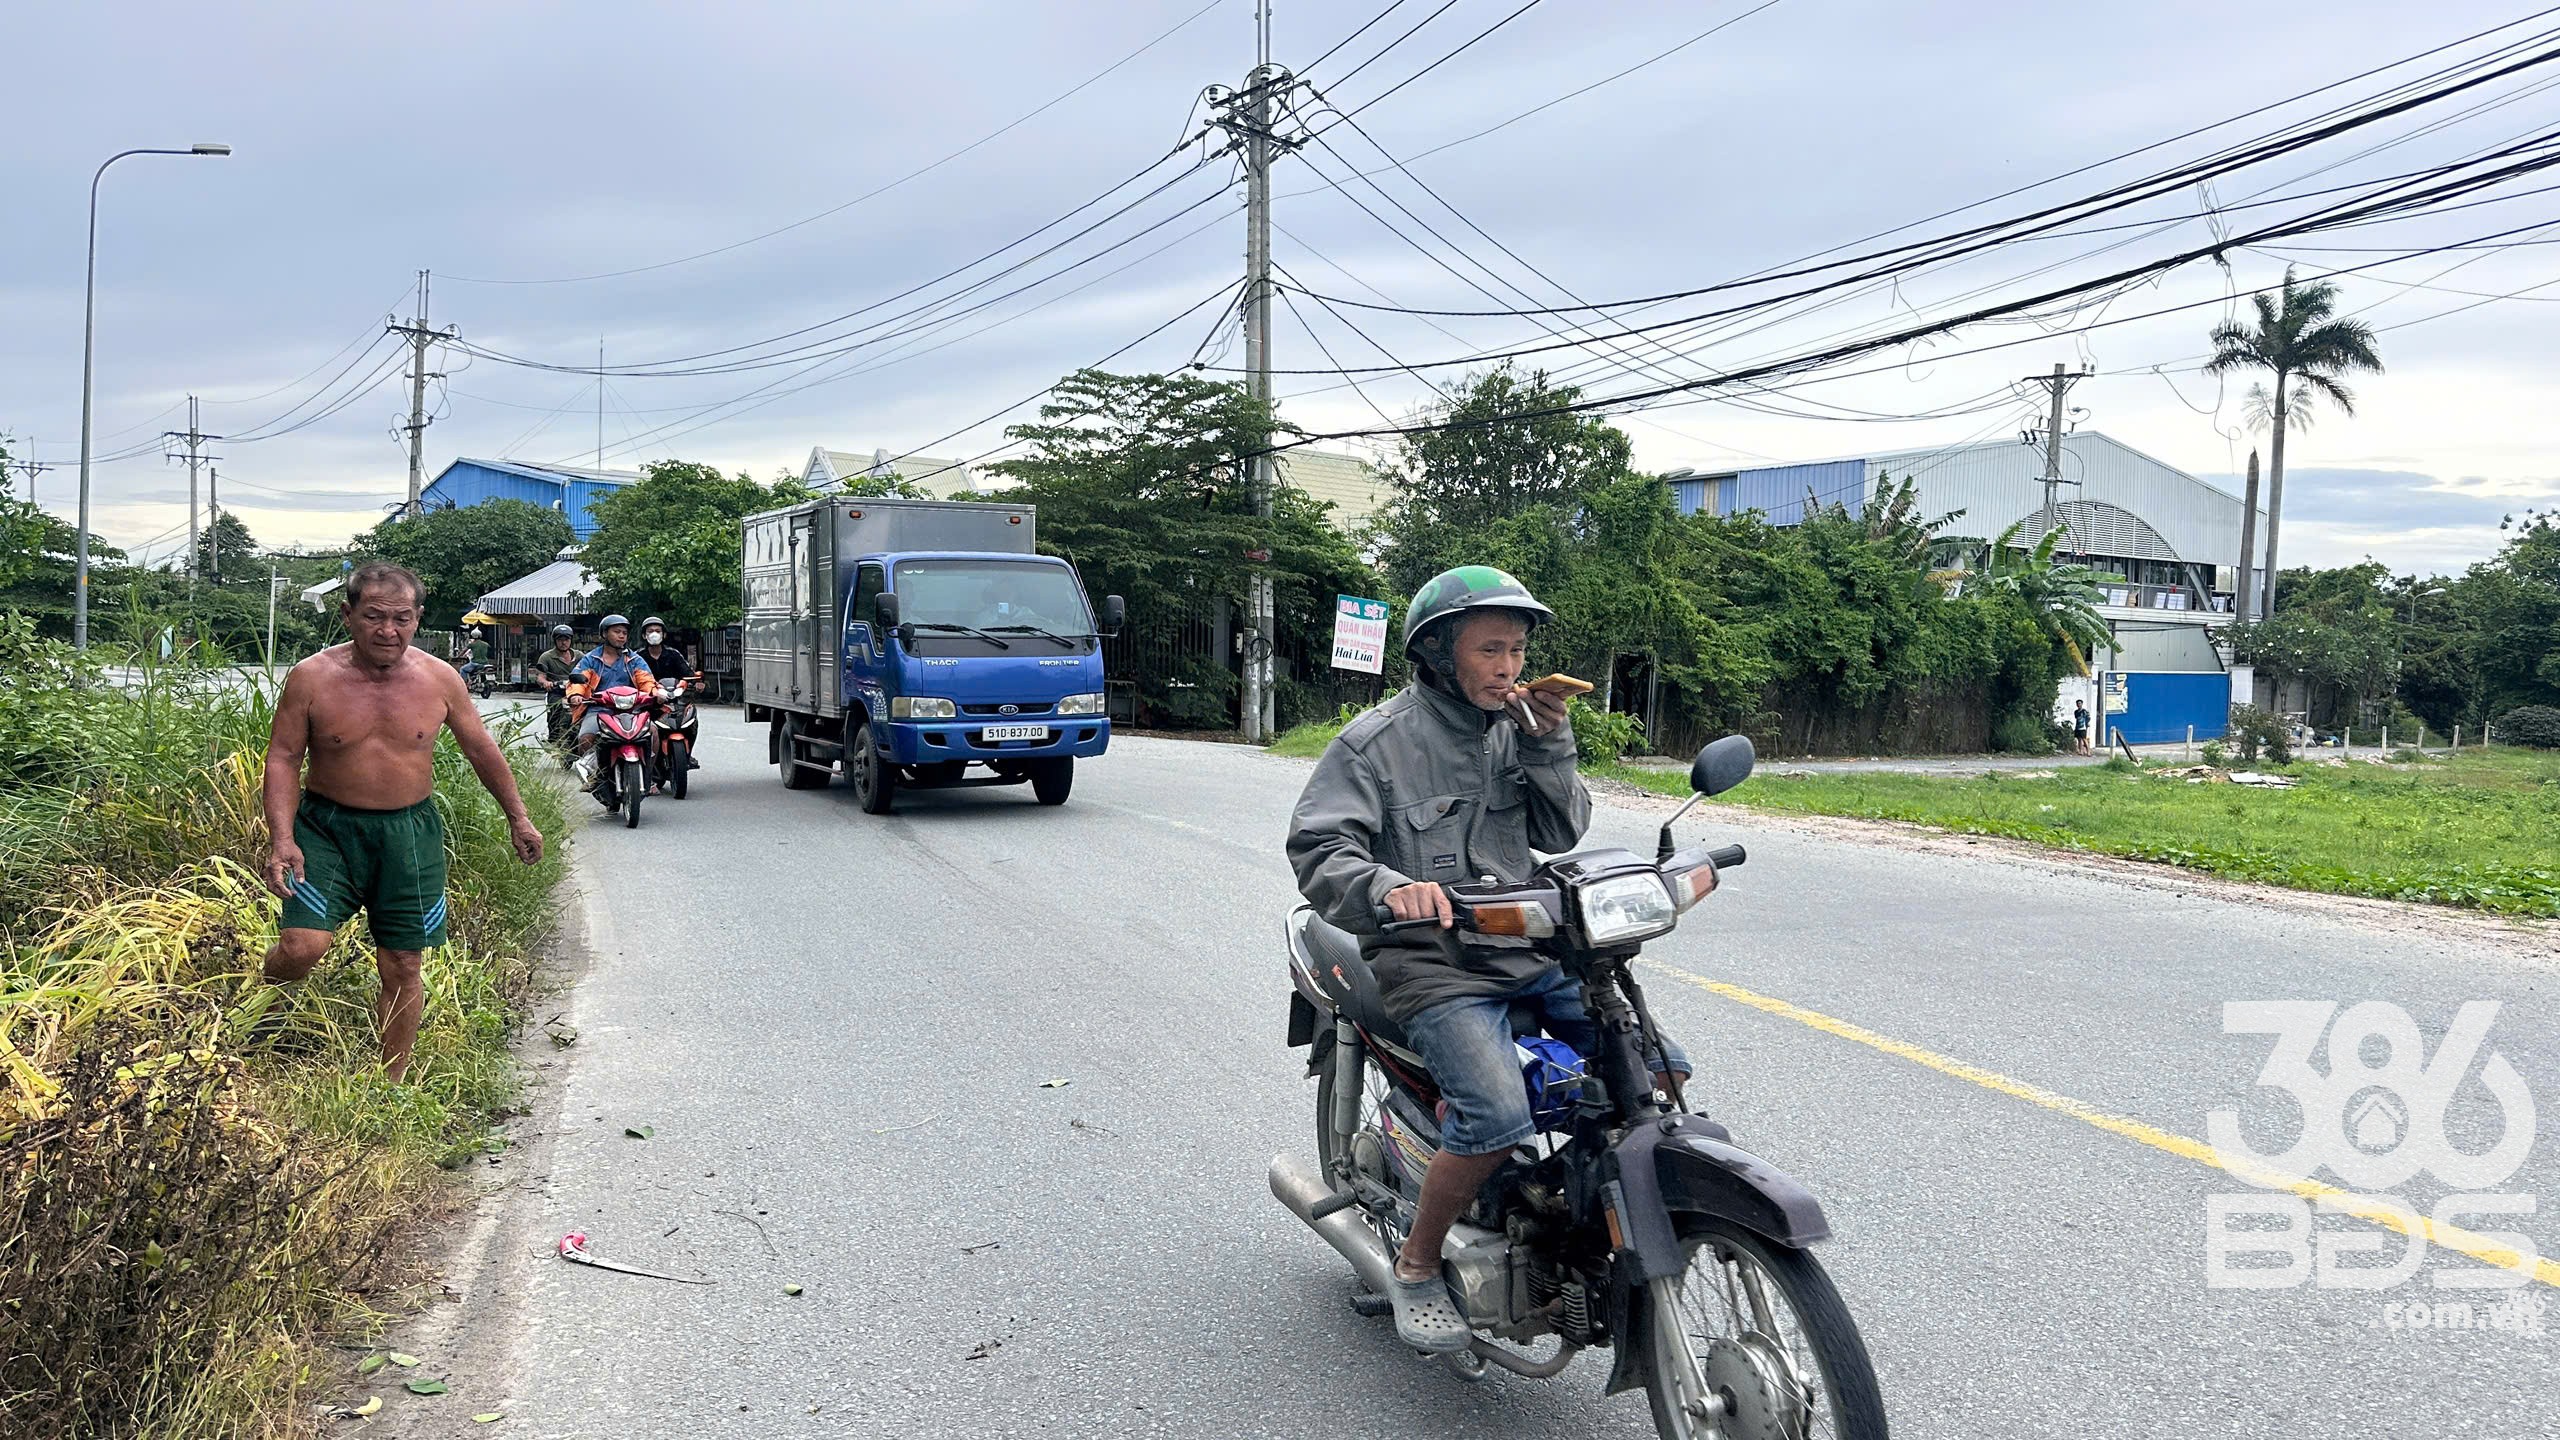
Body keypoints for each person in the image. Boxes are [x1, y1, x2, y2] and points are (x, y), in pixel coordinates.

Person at [1286, 565, 1687, 1353]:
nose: (1509, 667)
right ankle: (1417, 1260)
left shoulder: (1518, 729)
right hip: (1432, 963)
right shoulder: (1374, 745)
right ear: (1438, 653)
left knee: (1660, 1069)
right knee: (1497, 1115)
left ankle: (1562, 1211)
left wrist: (1550, 743)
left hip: (1526, 944)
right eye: (1490, 650)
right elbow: (1319, 849)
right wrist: (1388, 887)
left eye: (1517, 650)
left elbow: (1559, 833)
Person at [259, 562, 544, 1081]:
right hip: (326, 829)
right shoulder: (312, 677)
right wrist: (282, 838)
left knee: (404, 961)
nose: (388, 630)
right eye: (373, 616)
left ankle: (390, 1084)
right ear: (347, 615)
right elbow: (283, 757)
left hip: (409, 834)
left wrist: (518, 818)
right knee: (302, 947)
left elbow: (481, 749)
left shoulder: (440, 679)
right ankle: (267, 1000)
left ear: (418, 618)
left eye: (401, 619)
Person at [567, 614, 657, 799]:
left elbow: (647, 681)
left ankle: (647, 776)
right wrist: (576, 695)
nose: (622, 636)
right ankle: (594, 776)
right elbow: (578, 680)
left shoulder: (634, 659)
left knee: (654, 732)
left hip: (631, 711)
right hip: (599, 710)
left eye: (624, 632)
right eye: (617, 632)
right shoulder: (591, 659)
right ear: (604, 634)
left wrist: (655, 693)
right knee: (586, 737)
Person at [634, 617, 696, 794]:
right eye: (650, 631)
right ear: (644, 635)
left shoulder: (673, 654)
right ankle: (648, 770)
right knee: (646, 732)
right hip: (648, 703)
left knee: (691, 719)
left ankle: (687, 755)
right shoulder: (638, 657)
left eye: (657, 631)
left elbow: (688, 674)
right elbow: (631, 677)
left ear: (664, 635)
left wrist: (695, 682)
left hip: (673, 700)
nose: (654, 634)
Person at [533, 623, 581, 746]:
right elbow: (540, 677)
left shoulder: (579, 656)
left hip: (577, 692)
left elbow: (591, 670)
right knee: (555, 711)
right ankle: (554, 739)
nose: (563, 643)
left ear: (571, 640)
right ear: (555, 641)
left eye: (566, 639)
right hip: (557, 692)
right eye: (560, 640)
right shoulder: (547, 657)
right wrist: (546, 683)